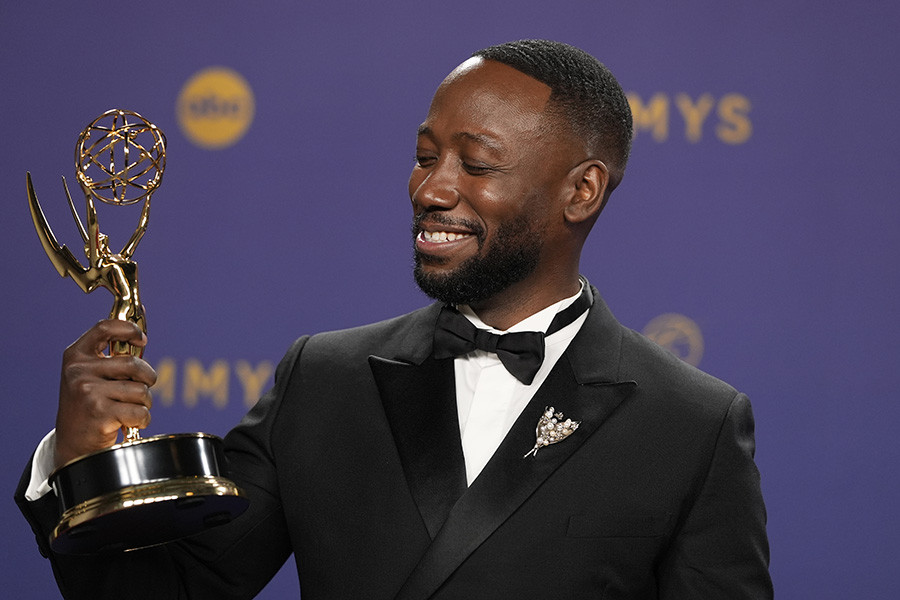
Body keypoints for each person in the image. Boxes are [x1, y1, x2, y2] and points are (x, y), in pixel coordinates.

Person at [16, 39, 772, 599]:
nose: (431, 188)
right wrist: (79, 465)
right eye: (424, 155)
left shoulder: (692, 425)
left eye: (475, 165)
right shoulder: (323, 379)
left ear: (582, 191)